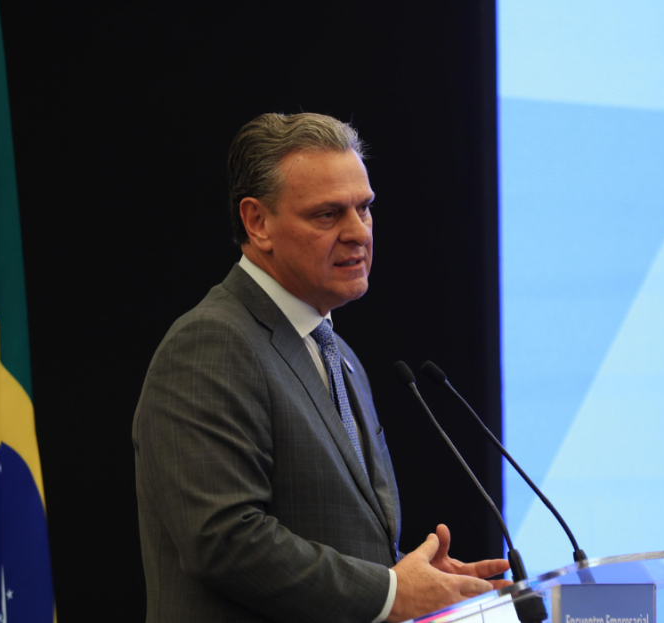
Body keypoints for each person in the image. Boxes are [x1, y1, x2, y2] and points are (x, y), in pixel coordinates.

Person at [132, 112, 511, 623]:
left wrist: (410, 577)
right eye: (328, 214)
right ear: (257, 222)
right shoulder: (212, 343)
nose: (358, 232)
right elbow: (223, 539)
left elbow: (330, 536)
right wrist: (390, 591)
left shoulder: (338, 354)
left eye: (365, 208)